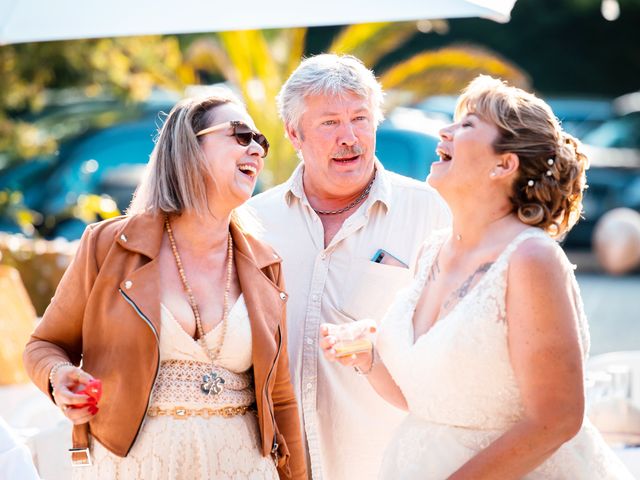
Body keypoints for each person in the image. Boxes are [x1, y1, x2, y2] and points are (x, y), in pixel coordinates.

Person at [321, 75, 634, 479]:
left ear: (504, 164)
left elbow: (557, 418)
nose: (444, 131)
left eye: (466, 125)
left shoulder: (530, 258)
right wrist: (368, 357)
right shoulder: (431, 249)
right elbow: (430, 403)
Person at [23, 91, 307, 479]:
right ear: (189, 147)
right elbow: (44, 346)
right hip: (137, 467)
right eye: (241, 135)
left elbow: (281, 398)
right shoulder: (108, 246)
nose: (257, 149)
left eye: (262, 141)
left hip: (244, 468)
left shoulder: (265, 264)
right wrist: (59, 379)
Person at [248, 54, 450, 479]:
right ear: (293, 134)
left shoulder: (431, 211)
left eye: (360, 118)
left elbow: (452, 344)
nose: (349, 137)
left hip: (387, 464)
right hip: (274, 464)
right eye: (329, 123)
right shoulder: (252, 222)